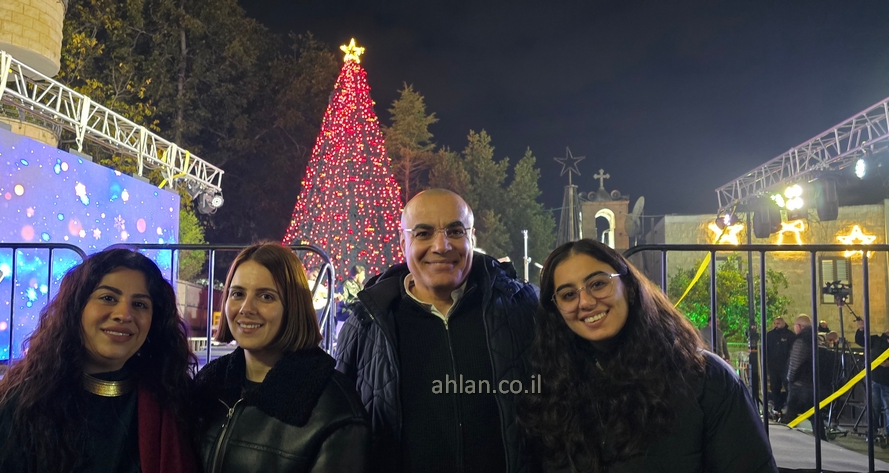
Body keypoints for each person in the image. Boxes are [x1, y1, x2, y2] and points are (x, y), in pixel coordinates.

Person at [519, 239, 777, 473]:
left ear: (629, 287)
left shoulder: (706, 379)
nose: (585, 302)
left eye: (598, 284)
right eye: (568, 295)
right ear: (556, 311)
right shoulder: (551, 388)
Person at [335, 188, 539, 473]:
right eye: (423, 233)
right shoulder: (366, 323)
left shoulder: (521, 308)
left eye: (455, 231)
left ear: (472, 238)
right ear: (403, 241)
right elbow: (341, 427)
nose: (441, 246)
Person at [0, 247, 197, 473]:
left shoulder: (172, 401)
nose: (124, 315)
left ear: (154, 321)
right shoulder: (25, 405)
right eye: (108, 298)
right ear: (77, 309)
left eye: (139, 304)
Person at [194, 242, 369, 472]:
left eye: (266, 296)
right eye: (237, 293)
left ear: (293, 307)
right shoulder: (207, 386)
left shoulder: (334, 409)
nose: (246, 308)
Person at [785, 315, 836, 436]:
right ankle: (821, 439)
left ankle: (786, 439)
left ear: (799, 326)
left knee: (790, 415)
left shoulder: (801, 341)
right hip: (815, 384)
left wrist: (789, 379)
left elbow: (795, 362)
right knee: (814, 415)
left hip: (799, 385)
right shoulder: (817, 339)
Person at [855, 325, 889, 437]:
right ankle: (873, 431)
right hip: (875, 378)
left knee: (887, 408)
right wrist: (861, 329)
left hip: (886, 381)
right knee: (874, 407)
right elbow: (861, 340)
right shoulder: (877, 340)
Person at [766, 316, 795, 416]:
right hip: (773, 366)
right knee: (774, 387)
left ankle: (790, 407)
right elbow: (766, 350)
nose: (776, 325)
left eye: (778, 323)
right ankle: (777, 406)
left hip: (786, 367)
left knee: (788, 387)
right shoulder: (770, 335)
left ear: (783, 323)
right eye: (775, 323)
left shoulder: (790, 335)